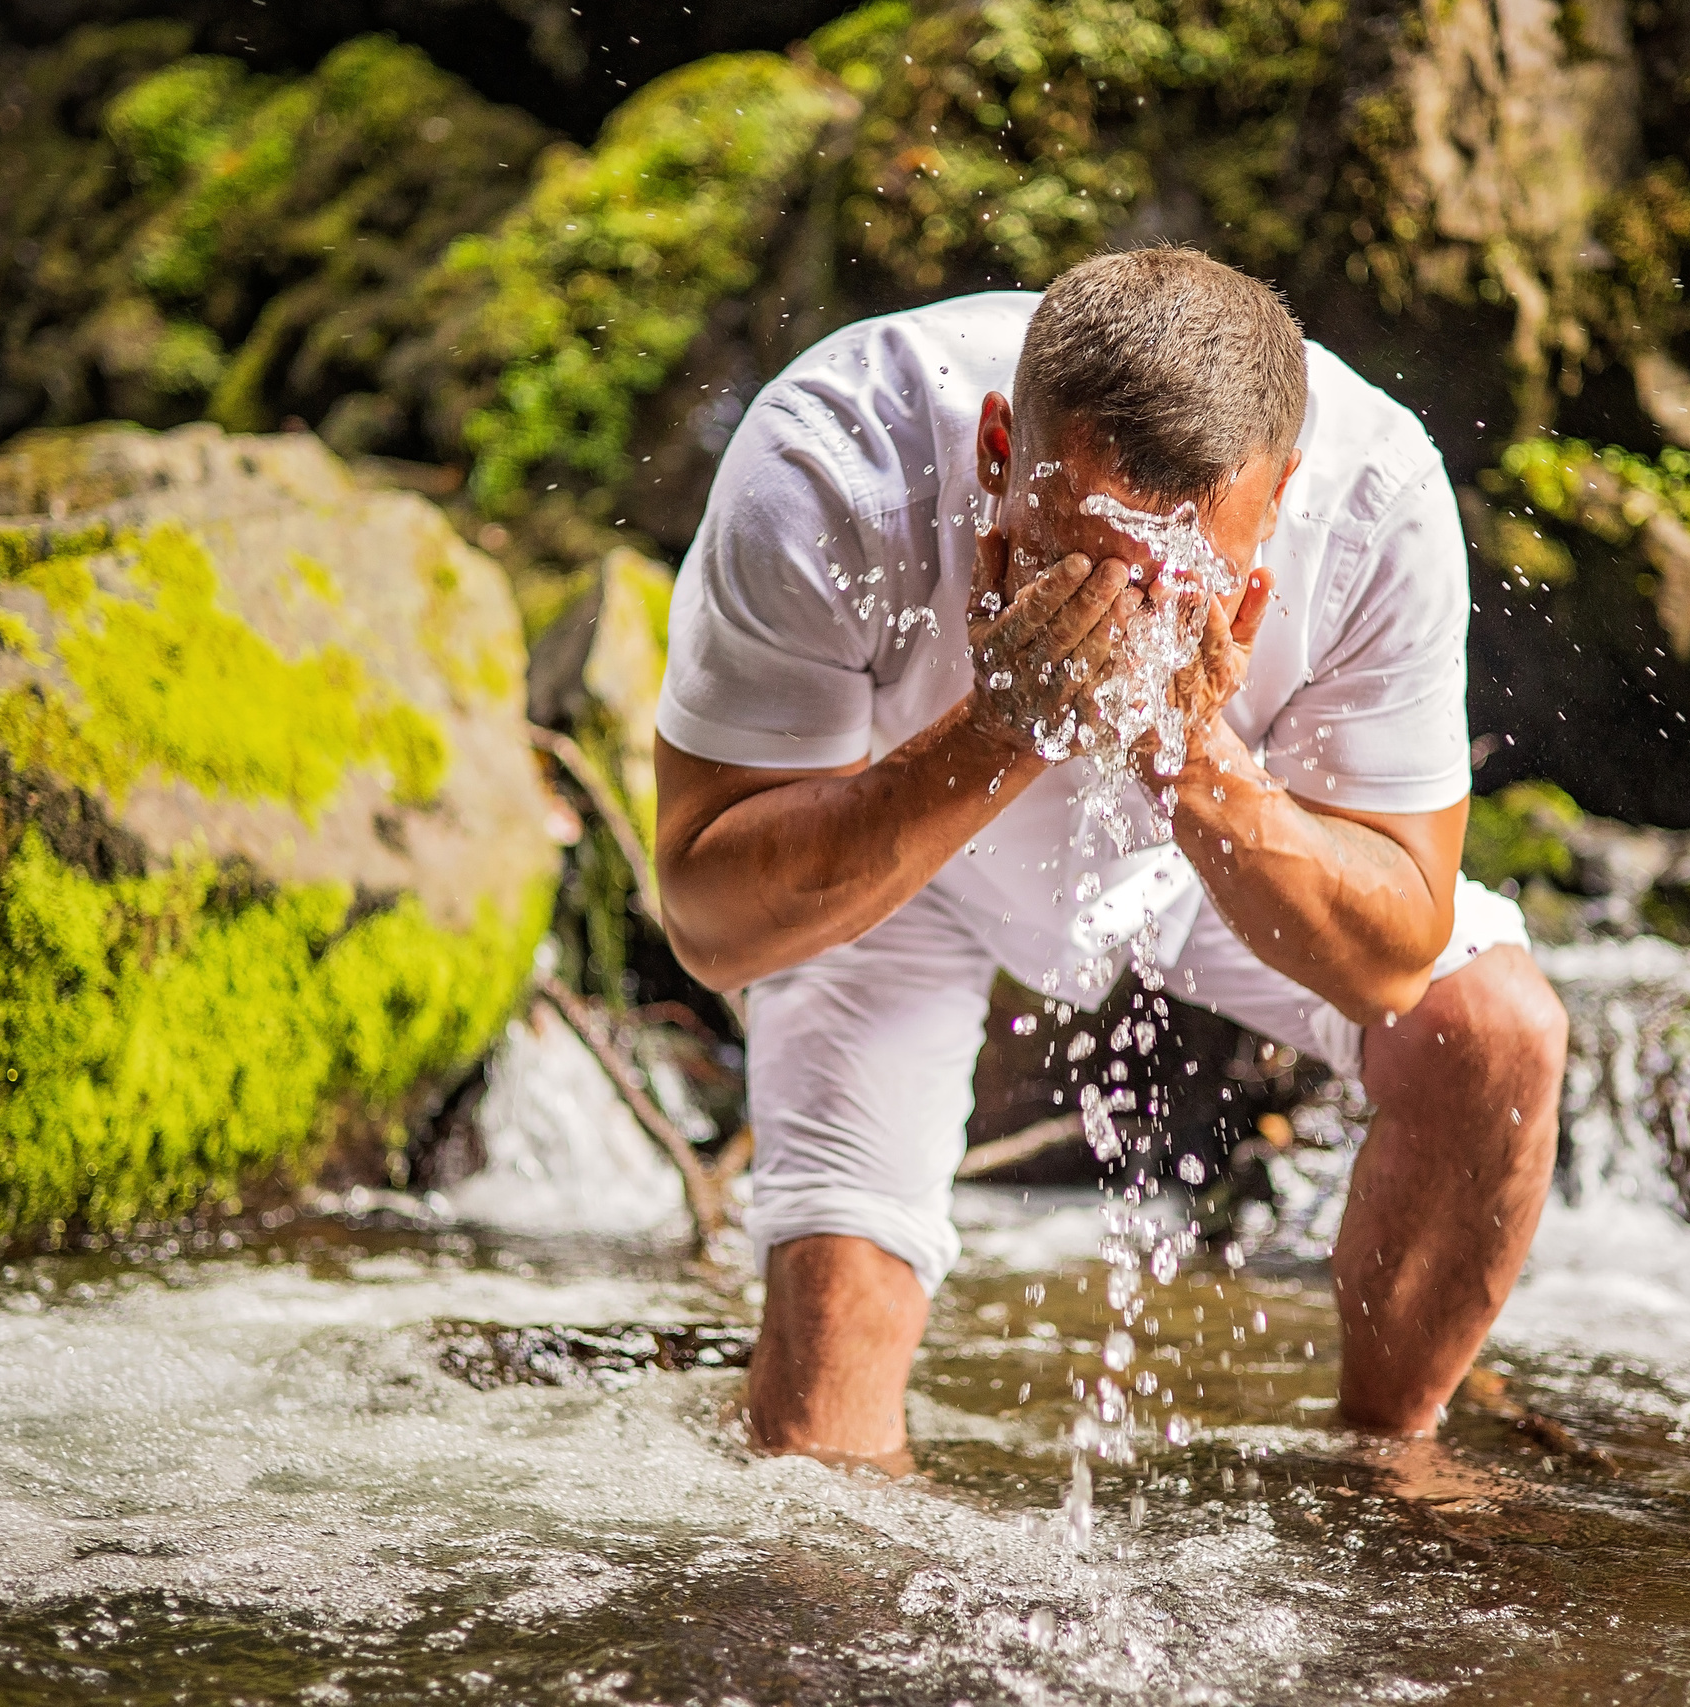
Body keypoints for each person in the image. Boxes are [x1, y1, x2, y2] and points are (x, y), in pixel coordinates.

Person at [652, 246, 1568, 1466]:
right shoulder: (831, 459)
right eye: (1070, 563)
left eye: (1180, 587)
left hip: (1201, 845)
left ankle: (1383, 1463)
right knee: (820, 1437)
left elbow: (1392, 962)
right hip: (890, 843)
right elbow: (711, 924)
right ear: (995, 456)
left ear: (1278, 497)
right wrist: (997, 731)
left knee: (1496, 1033)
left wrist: (1189, 757)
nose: (1123, 623)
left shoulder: (1378, 496)